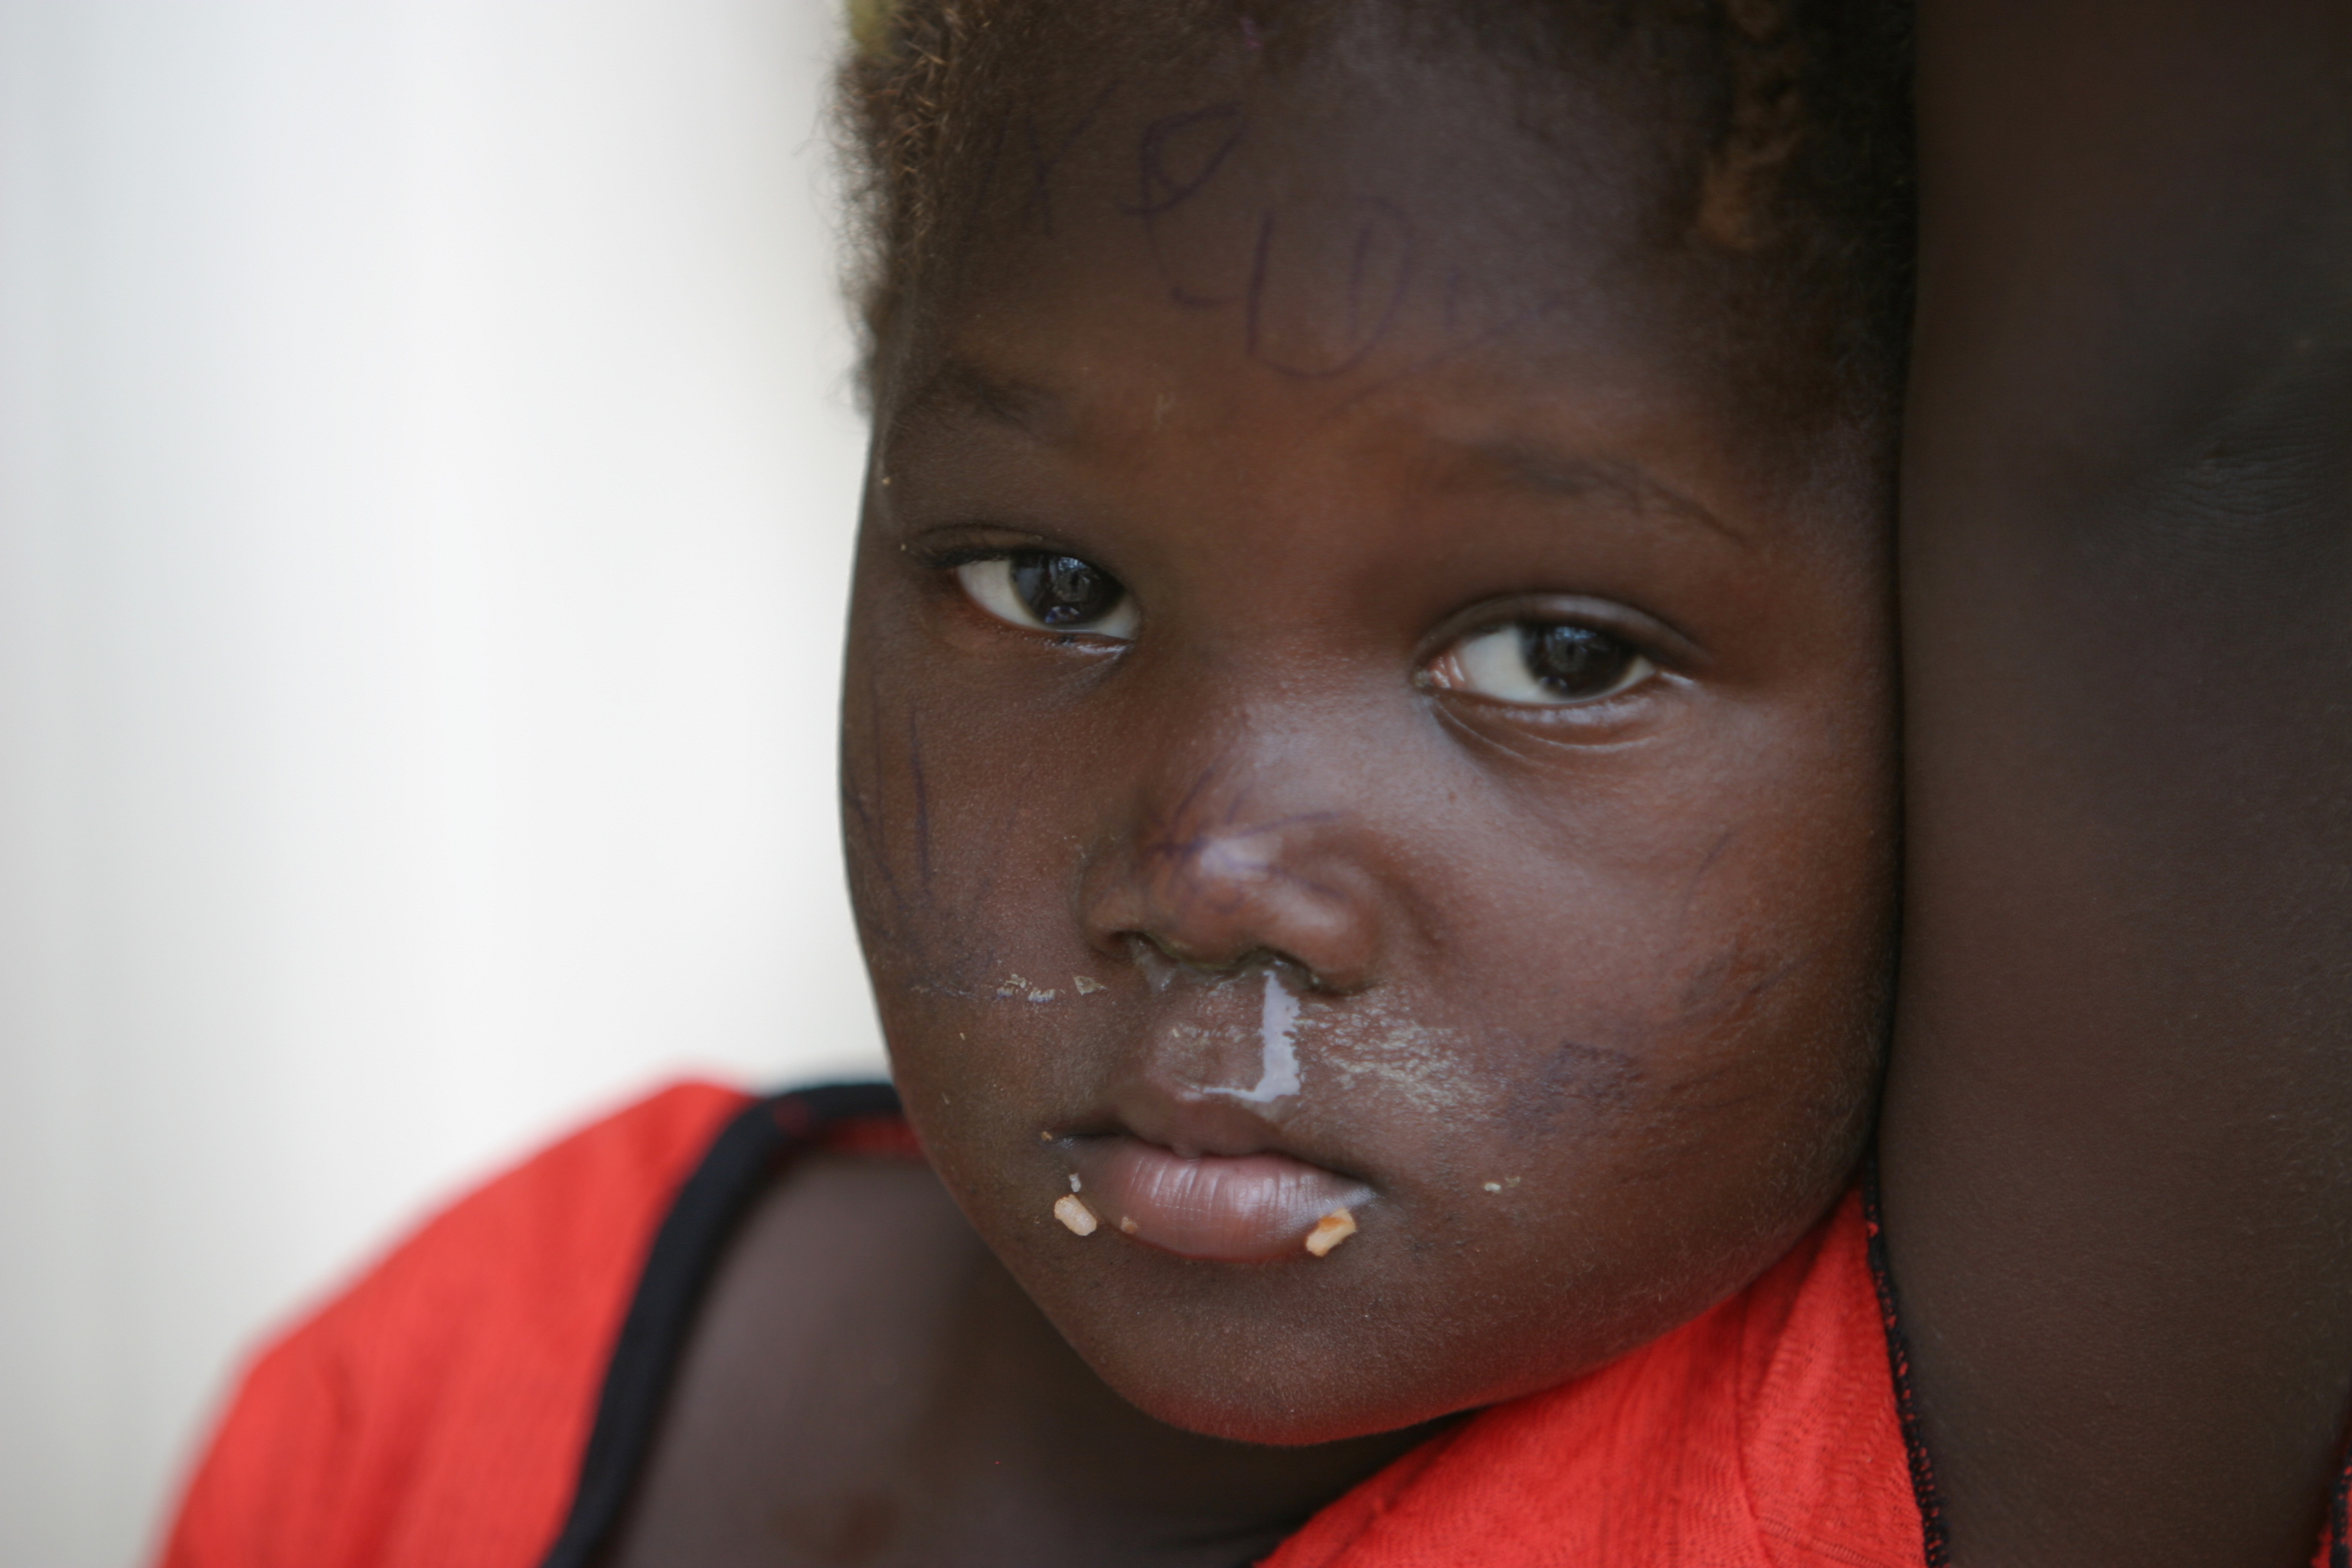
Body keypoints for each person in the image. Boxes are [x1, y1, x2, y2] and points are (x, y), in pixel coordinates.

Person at [153, 2, 2352, 1565]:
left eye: (1552, 652)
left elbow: (2186, 410)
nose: (1209, 867)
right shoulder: (436, 1391)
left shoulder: (1980, 1451)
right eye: (1048, 579)